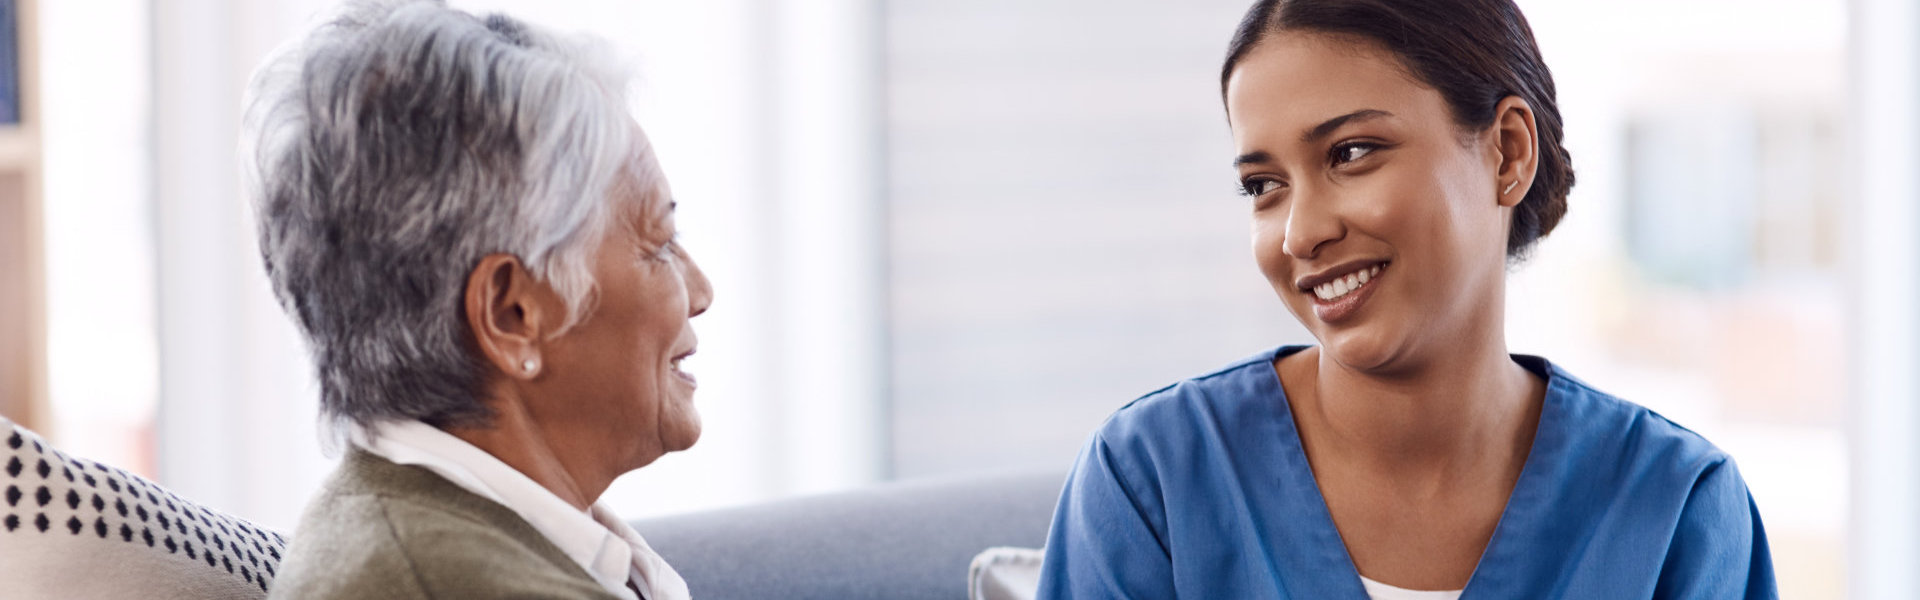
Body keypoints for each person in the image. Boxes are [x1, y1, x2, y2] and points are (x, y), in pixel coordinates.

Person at [1035, 1, 1777, 598]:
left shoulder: (1677, 512)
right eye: (1263, 186)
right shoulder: (1152, 484)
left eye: (1351, 153)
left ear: (1508, 152)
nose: (1301, 233)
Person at [244, 1, 712, 598]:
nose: (701, 291)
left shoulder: (441, 523)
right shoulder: (446, 581)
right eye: (660, 244)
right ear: (511, 315)